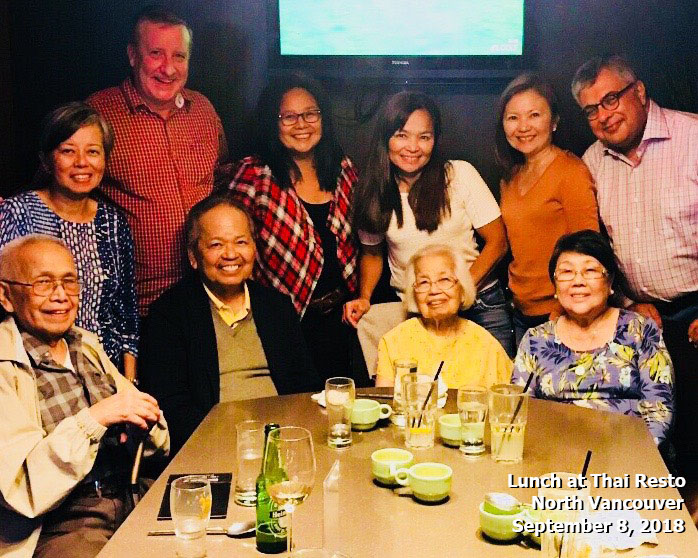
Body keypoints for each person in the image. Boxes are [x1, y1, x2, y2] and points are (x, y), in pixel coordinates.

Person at [0, 235, 169, 558]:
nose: (61, 295)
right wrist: (94, 420)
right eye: (43, 283)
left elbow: (158, 442)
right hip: (64, 524)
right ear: (6, 296)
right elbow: (23, 490)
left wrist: (144, 428)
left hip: (132, 493)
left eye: (69, 282)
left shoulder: (85, 345)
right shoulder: (6, 365)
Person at [571, 55, 698, 468]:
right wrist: (627, 302)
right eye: (591, 110)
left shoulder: (692, 137)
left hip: (695, 313)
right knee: (646, 447)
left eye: (611, 99)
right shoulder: (592, 161)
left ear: (639, 92)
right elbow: (596, 248)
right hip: (639, 320)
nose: (603, 116)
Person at [346, 91, 514, 375]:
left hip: (480, 306)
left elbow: (498, 242)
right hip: (418, 310)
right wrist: (364, 296)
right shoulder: (373, 191)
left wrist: (459, 288)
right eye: (402, 135)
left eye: (424, 137)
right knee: (421, 396)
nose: (413, 147)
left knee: (492, 392)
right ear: (386, 138)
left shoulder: (459, 175)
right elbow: (372, 254)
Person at [139, 195, 321, 455]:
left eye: (241, 242)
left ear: (254, 248)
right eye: (216, 244)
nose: (231, 254)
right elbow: (172, 407)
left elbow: (307, 387)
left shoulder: (276, 306)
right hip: (212, 448)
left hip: (285, 441)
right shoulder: (169, 315)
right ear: (193, 256)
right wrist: (235, 439)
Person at [222, 73, 363, 383]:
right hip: (282, 323)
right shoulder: (255, 174)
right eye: (289, 117)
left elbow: (367, 242)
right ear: (273, 123)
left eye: (311, 114)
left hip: (342, 322)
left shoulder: (343, 169)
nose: (302, 124)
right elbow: (228, 244)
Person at [88, 6, 228, 315]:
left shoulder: (204, 110)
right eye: (155, 54)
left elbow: (222, 180)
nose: (168, 69)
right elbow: (55, 192)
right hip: (138, 308)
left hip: (210, 297)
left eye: (179, 56)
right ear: (132, 55)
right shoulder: (99, 114)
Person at [0, 102, 139, 378]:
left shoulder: (113, 222)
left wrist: (128, 381)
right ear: (46, 159)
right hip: (34, 371)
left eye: (93, 151)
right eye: (68, 151)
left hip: (103, 371)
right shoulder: (16, 213)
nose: (82, 162)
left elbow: (126, 312)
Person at [511, 230, 674, 447]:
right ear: (555, 285)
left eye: (590, 270)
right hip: (554, 455)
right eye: (567, 272)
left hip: (629, 454)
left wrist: (627, 456)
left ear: (610, 281)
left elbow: (659, 412)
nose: (578, 281)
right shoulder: (535, 340)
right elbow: (519, 410)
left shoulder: (640, 331)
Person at [495, 73, 600, 346]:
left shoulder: (571, 172)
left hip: (561, 312)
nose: (523, 126)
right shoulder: (510, 177)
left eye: (534, 115)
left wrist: (563, 310)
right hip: (519, 312)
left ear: (554, 122)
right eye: (513, 117)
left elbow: (590, 249)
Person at [375, 245, 512, 388]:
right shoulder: (394, 341)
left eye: (444, 280)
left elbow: (507, 397)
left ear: (462, 288)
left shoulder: (485, 344)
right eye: (423, 282)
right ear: (413, 293)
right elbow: (383, 399)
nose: (434, 290)